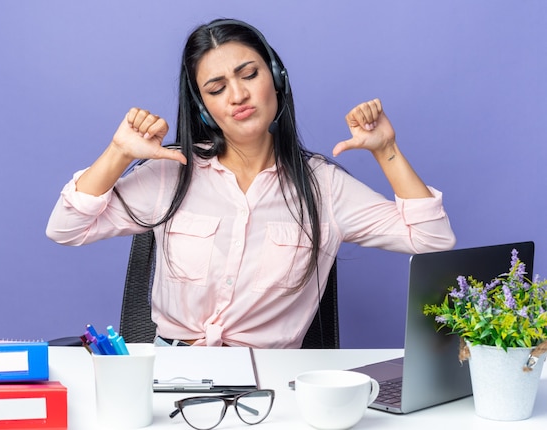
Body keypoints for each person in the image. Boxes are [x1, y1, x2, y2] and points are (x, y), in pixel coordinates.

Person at [46, 18, 455, 348]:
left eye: (249, 74)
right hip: (172, 378)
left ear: (276, 78)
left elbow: (432, 238)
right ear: (203, 108)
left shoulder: (324, 186)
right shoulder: (171, 173)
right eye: (217, 88)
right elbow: (66, 228)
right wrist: (119, 153)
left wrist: (386, 149)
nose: (238, 95)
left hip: (270, 386)